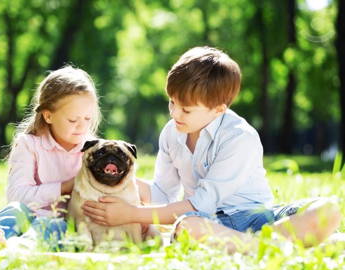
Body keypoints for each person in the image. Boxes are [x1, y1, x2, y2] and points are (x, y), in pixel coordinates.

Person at [82, 46, 341, 253]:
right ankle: (276, 247)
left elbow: (202, 202)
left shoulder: (239, 137)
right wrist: (122, 181)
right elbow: (164, 193)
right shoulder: (172, 132)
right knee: (187, 227)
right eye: (172, 102)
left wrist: (132, 214)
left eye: (186, 109)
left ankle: (259, 245)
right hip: (208, 223)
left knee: (328, 209)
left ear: (219, 108)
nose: (175, 113)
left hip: (258, 219)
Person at [0, 65, 102, 250]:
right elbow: (17, 197)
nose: (81, 127)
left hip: (65, 219)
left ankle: (21, 247)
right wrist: (66, 187)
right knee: (14, 211)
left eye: (87, 119)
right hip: (29, 212)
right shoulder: (29, 144)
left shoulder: (95, 150)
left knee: (52, 225)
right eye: (72, 120)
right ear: (48, 116)